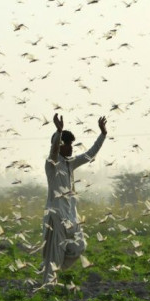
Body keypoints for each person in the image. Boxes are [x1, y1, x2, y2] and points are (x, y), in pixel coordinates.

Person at [41, 113, 107, 286]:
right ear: (60, 145)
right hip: (56, 218)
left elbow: (89, 155)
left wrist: (103, 134)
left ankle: (48, 269)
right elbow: (53, 151)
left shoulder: (70, 163)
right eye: (67, 144)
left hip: (71, 218)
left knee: (79, 246)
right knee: (54, 255)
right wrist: (58, 131)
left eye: (71, 144)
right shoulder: (51, 164)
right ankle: (49, 285)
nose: (71, 148)